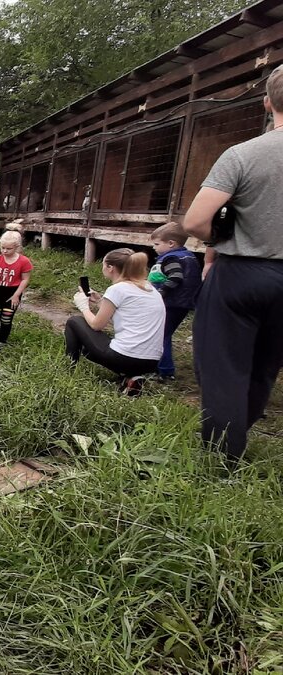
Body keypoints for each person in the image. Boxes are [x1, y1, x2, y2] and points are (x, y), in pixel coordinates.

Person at [181, 63, 283, 465]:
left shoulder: (243, 154)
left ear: (266, 103)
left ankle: (220, 460)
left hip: (242, 272)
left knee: (224, 369)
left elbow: (194, 221)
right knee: (266, 365)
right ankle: (240, 428)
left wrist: (217, 239)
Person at [66, 248, 165, 396]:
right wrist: (100, 301)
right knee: (91, 345)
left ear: (110, 268)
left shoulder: (117, 289)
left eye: (103, 264)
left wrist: (83, 306)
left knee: (74, 322)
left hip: (124, 357)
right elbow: (128, 315)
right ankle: (132, 377)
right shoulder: (148, 287)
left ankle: (69, 368)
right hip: (151, 361)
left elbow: (96, 325)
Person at [148, 222, 201, 380]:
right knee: (165, 333)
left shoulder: (171, 258)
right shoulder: (188, 256)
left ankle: (165, 371)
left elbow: (175, 277)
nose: (154, 247)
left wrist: (161, 292)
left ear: (171, 243)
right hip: (184, 302)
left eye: (157, 244)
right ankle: (162, 367)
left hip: (172, 302)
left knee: (161, 334)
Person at [0, 230, 32, 345]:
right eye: (2, 248)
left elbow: (25, 280)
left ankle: (2, 341)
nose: (4, 251)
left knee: (6, 318)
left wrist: (16, 295)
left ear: (16, 247)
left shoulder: (24, 261)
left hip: (13, 292)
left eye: (9, 249)